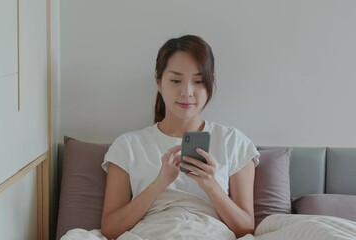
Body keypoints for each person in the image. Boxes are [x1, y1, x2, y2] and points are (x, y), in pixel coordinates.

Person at [100, 35, 260, 239]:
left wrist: (210, 184)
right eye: (176, 80)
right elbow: (110, 229)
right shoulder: (128, 145)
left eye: (199, 81)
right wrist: (159, 183)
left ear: (210, 82)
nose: (187, 92)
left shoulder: (233, 141)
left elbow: (245, 228)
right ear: (158, 81)